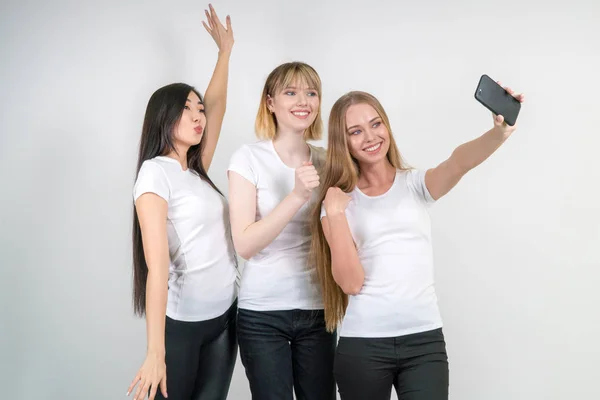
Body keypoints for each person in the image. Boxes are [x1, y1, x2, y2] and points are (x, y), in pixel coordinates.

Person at [310, 86, 524, 400]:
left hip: (424, 343)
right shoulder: (337, 204)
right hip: (363, 346)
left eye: (375, 124)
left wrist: (500, 132)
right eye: (355, 131)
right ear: (344, 142)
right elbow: (351, 283)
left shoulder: (415, 185)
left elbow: (457, 163)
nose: (370, 137)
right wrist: (335, 213)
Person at [126, 5, 238, 400]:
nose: (199, 115)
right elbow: (157, 267)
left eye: (199, 109)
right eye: (187, 108)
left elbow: (218, 104)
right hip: (184, 326)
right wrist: (156, 353)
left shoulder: (196, 171)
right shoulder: (155, 173)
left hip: (226, 321)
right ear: (164, 116)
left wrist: (225, 53)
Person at [227, 61, 336, 400]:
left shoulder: (327, 161)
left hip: (318, 310)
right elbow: (244, 244)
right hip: (262, 314)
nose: (303, 101)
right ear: (271, 103)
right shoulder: (248, 158)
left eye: (311, 93)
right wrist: (297, 196)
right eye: (291, 92)